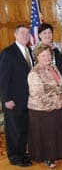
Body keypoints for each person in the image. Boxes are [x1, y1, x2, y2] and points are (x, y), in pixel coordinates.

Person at [27, 44, 62, 168]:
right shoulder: (35, 72)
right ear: (37, 57)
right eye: (43, 55)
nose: (47, 57)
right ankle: (47, 158)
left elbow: (59, 86)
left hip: (57, 107)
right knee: (47, 135)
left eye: (49, 55)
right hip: (43, 110)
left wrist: (61, 102)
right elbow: (38, 95)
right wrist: (52, 105)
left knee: (55, 133)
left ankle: (54, 155)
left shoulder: (53, 67)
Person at [0, 25, 33, 167]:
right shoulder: (8, 52)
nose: (25, 35)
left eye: (27, 33)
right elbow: (3, 78)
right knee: (14, 129)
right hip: (13, 100)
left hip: (27, 99)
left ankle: (22, 154)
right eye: (22, 33)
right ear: (15, 35)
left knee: (23, 129)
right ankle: (14, 157)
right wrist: (6, 99)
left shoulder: (29, 51)